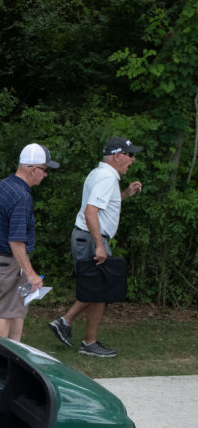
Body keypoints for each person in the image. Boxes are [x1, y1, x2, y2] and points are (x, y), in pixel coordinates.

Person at [50, 137, 143, 357]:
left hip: (88, 236)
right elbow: (90, 211)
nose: (133, 159)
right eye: (130, 155)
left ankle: (83, 337)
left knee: (100, 289)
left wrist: (125, 195)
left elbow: (102, 205)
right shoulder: (106, 178)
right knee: (99, 288)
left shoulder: (100, 174)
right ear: (117, 156)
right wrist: (100, 245)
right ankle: (71, 327)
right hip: (92, 237)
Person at [0, 143, 59, 341]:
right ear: (33, 168)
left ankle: (17, 352)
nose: (45, 175)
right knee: (6, 312)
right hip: (9, 261)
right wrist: (31, 274)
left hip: (2, 258)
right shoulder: (21, 197)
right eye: (45, 170)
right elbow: (16, 241)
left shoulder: (5, 185)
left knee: (17, 307)